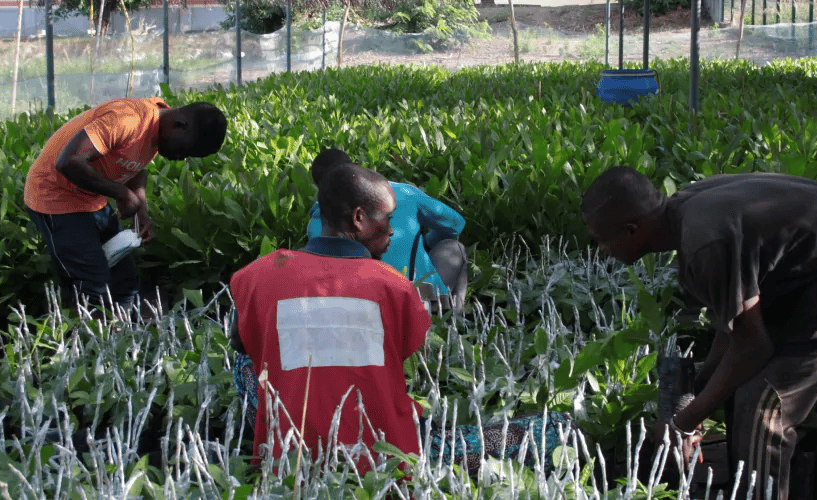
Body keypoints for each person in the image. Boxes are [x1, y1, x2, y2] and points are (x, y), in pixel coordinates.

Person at [580, 167, 817, 500]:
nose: (602, 251)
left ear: (631, 230)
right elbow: (735, 334)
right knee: (738, 385)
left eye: (601, 241)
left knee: (765, 402)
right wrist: (696, 396)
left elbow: (752, 348)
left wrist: (684, 421)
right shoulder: (688, 212)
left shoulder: (703, 242)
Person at [229, 163, 576, 476]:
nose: (394, 231)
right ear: (359, 219)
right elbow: (409, 353)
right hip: (386, 456)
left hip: (290, 459)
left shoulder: (256, 275)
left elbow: (244, 349)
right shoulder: (392, 286)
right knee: (556, 429)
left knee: (243, 363)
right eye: (388, 219)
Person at [23, 97, 227, 317]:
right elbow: (69, 161)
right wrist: (122, 194)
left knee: (125, 279)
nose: (181, 158)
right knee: (92, 286)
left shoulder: (160, 128)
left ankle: (124, 338)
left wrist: (140, 207)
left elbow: (137, 163)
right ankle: (92, 343)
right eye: (185, 151)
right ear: (180, 125)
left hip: (90, 198)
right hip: (55, 197)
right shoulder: (127, 120)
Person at [306, 148, 469, 315]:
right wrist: (426, 243)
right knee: (455, 249)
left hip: (367, 307)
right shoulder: (403, 192)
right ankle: (454, 319)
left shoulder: (318, 224)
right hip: (422, 297)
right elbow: (455, 223)